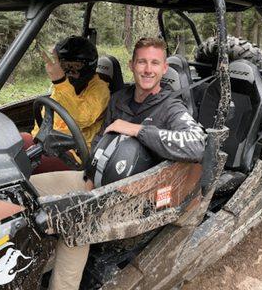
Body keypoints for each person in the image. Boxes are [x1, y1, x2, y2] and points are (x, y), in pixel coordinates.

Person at [30, 37, 206, 290]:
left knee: (76, 224)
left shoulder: (171, 107)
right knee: (28, 189)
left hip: (137, 195)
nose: (148, 69)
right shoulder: (119, 99)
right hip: (99, 181)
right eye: (142, 62)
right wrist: (90, 172)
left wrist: (138, 130)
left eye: (154, 63)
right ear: (132, 65)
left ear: (164, 68)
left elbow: (196, 144)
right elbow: (102, 139)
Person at [22, 35, 110, 173]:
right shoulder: (65, 87)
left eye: (75, 66)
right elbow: (48, 116)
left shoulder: (100, 89)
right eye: (64, 66)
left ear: (88, 65)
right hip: (45, 143)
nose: (68, 72)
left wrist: (60, 81)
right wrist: (35, 141)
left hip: (72, 155)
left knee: (18, 162)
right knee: (11, 142)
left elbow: (81, 118)